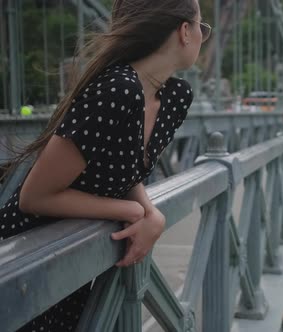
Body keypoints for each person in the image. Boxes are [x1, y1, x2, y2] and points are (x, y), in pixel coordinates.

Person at [0, 0, 210, 331]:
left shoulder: (174, 97)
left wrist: (150, 211)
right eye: (202, 27)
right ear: (185, 31)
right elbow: (34, 197)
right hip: (28, 258)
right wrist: (130, 212)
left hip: (79, 261)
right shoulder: (118, 88)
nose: (202, 35)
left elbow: (123, 165)